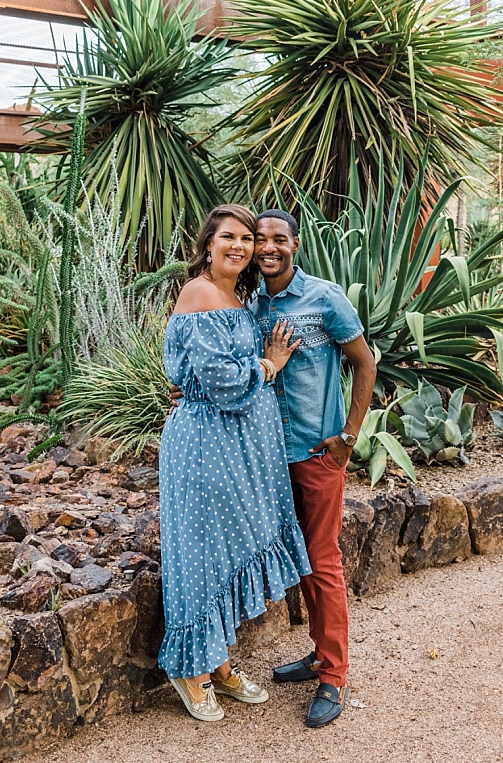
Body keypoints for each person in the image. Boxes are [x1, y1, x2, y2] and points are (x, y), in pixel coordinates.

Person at [159, 204, 312, 723]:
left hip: (234, 449)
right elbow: (222, 383)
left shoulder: (235, 296)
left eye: (246, 238)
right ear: (208, 243)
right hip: (207, 447)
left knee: (221, 553)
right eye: (229, 236)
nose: (240, 246)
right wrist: (270, 363)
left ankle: (216, 661)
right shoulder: (201, 292)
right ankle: (190, 670)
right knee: (202, 555)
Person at [249, 209, 377, 729]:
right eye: (260, 239)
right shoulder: (248, 302)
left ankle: (334, 676)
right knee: (295, 557)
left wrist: (348, 437)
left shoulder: (324, 297)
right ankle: (318, 654)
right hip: (265, 457)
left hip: (316, 456)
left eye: (278, 238)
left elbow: (365, 363)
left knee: (322, 561)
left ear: (295, 244)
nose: (268, 247)